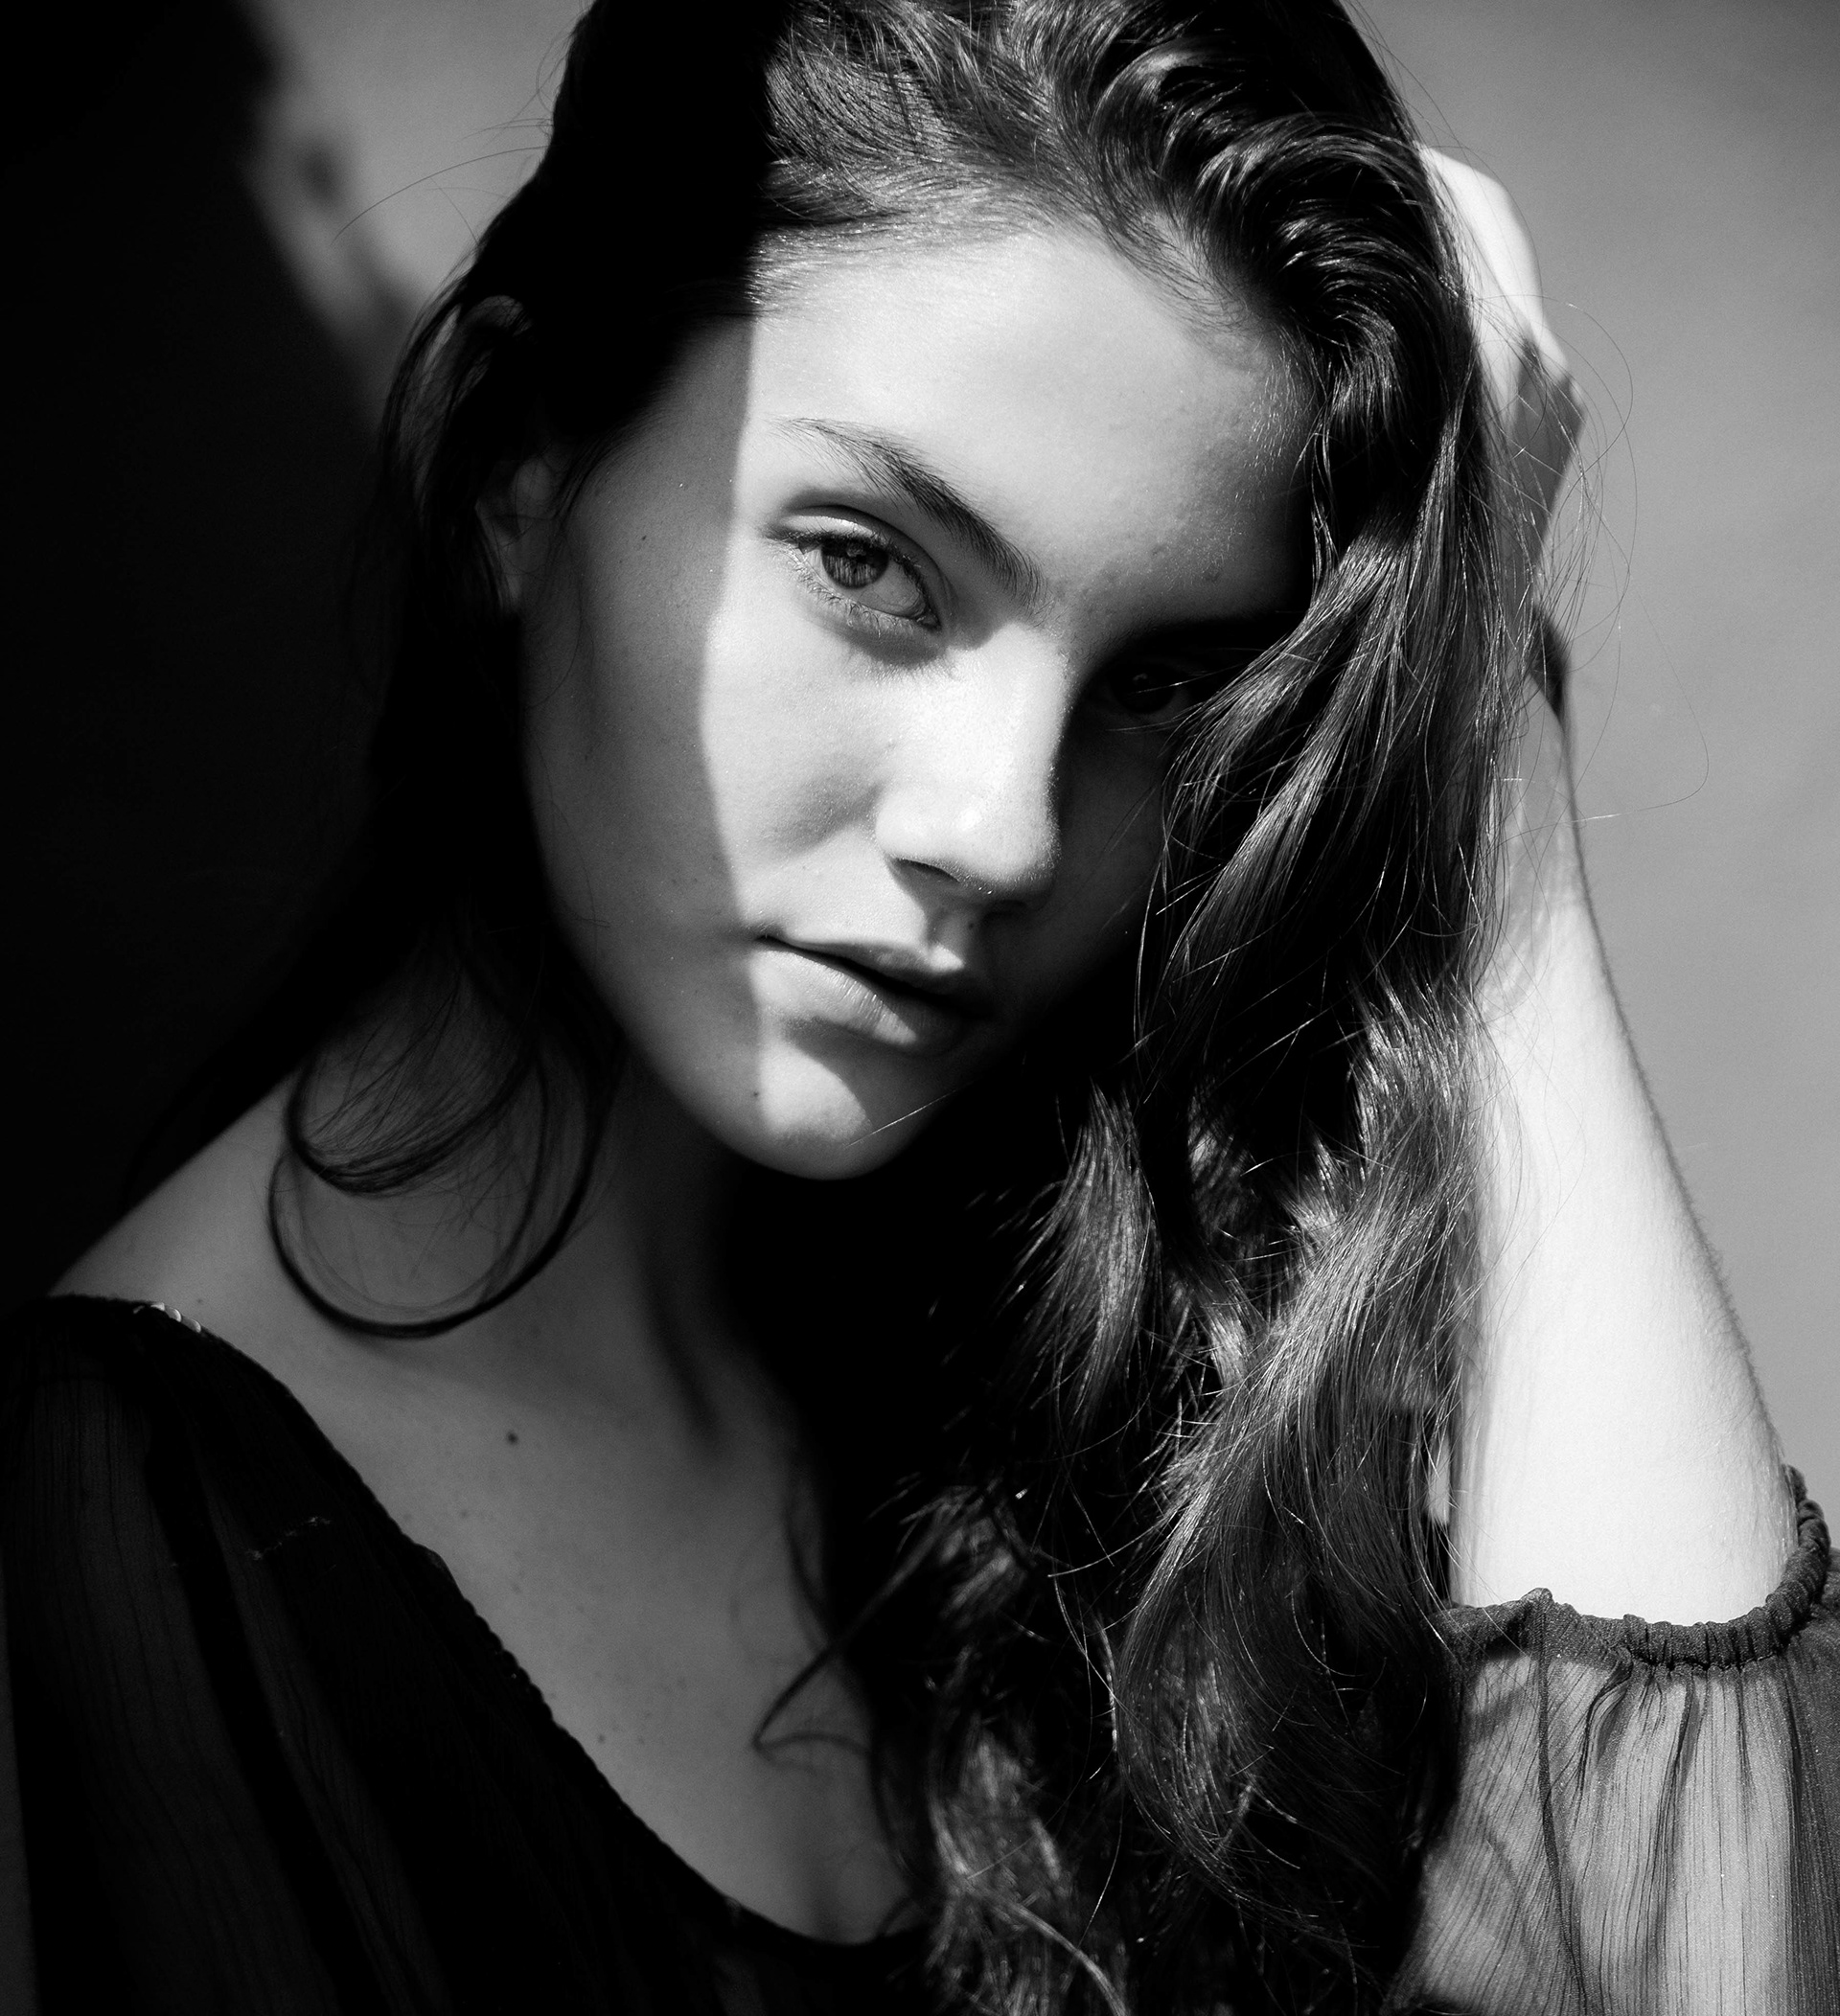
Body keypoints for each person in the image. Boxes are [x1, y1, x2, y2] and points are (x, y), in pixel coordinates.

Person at [2, 1, 1834, 2010]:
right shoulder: (93, 1567)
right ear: (523, 463)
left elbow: (1704, 1964)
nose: (1001, 827)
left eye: (1162, 684)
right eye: (870, 567)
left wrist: (1486, 732)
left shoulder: (1134, 1388)